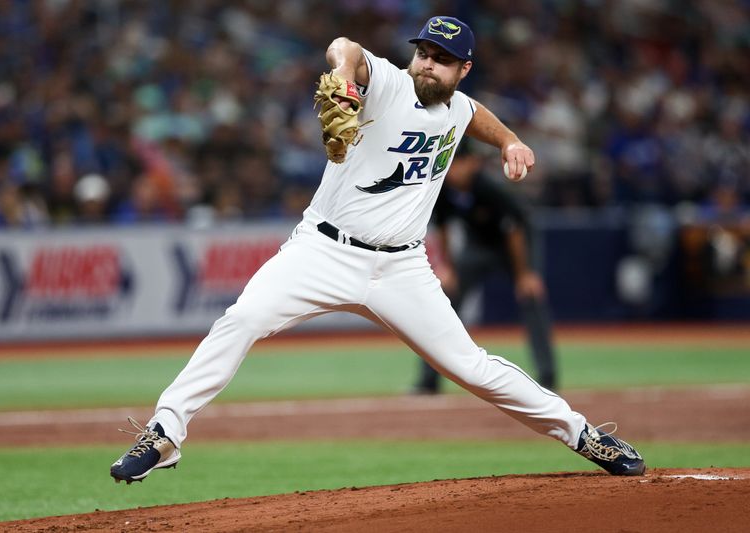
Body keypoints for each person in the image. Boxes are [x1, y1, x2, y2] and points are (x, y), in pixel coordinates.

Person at [110, 16, 645, 484]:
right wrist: (344, 78)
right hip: (323, 252)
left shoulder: (456, 109)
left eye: (443, 60)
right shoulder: (388, 83)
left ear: (463, 69)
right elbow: (345, 47)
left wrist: (509, 141)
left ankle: (584, 435)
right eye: (424, 53)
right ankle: (164, 433)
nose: (428, 64)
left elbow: (473, 114)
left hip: (401, 267)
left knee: (472, 368)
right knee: (242, 319)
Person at [413, 143, 557, 393]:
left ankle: (547, 377)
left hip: (516, 246)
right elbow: (444, 226)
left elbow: (514, 229)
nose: (454, 170)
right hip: (478, 246)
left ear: (473, 163)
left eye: (460, 163)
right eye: (451, 163)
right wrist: (447, 267)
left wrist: (526, 273)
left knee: (531, 298)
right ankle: (429, 380)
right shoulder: (444, 188)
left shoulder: (488, 186)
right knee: (443, 301)